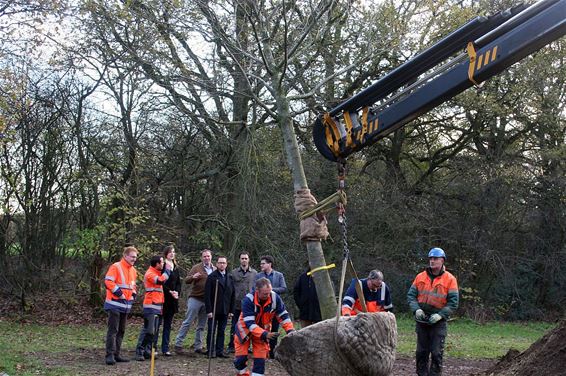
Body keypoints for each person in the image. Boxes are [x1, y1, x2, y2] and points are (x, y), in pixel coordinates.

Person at [407, 247, 459, 376]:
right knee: (421, 353)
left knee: (436, 353)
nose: (432, 261)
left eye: (435, 259)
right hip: (422, 320)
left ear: (442, 260)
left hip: (438, 322)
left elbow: (453, 303)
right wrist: (416, 309)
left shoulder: (450, 279)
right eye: (430, 258)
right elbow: (411, 296)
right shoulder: (420, 276)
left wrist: (440, 315)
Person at [234, 278, 295, 376]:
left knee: (260, 360)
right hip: (244, 331)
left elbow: (283, 316)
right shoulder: (248, 300)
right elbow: (250, 324)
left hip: (262, 332)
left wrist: (290, 330)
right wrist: (265, 334)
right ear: (257, 291)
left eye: (269, 292)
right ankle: (242, 373)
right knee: (240, 360)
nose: (268, 295)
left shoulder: (275, 298)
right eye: (265, 294)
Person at [175, 248, 215, 354]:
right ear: (202, 258)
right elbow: (187, 280)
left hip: (207, 301)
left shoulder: (214, 269)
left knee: (202, 325)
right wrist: (193, 277)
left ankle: (198, 346)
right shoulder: (196, 267)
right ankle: (178, 344)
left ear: (211, 257)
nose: (206, 258)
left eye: (208, 256)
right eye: (204, 256)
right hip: (195, 298)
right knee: (188, 321)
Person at [103, 245, 139, 365]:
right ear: (125, 256)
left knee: (121, 330)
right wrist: (118, 292)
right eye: (132, 256)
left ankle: (116, 354)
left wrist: (133, 295)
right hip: (114, 303)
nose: (134, 259)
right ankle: (109, 355)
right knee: (113, 330)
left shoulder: (133, 270)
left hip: (126, 305)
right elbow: (108, 281)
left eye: (135, 257)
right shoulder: (116, 266)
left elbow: (133, 285)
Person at [135, 255, 172, 361]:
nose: (163, 264)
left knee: (154, 331)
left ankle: (147, 350)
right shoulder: (150, 274)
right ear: (157, 264)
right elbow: (160, 281)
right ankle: (139, 351)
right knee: (148, 330)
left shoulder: (157, 272)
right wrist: (167, 271)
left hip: (157, 306)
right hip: (150, 306)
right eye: (162, 262)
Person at [254, 255, 287, 358]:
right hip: (261, 308)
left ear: (269, 264)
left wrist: (270, 291)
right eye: (261, 263)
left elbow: (284, 288)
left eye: (263, 263)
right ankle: (261, 351)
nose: (261, 265)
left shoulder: (279, 275)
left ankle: (272, 352)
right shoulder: (258, 276)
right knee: (261, 329)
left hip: (275, 307)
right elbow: (254, 289)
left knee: (274, 329)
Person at [204, 255, 235, 358]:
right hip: (213, 309)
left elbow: (232, 294)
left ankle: (219, 350)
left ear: (226, 264)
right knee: (211, 330)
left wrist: (231, 310)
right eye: (220, 263)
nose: (222, 264)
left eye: (224, 263)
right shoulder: (212, 277)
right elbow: (207, 295)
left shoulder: (230, 277)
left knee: (221, 331)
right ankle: (210, 350)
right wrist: (209, 310)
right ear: (216, 264)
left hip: (225, 309)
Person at [227, 251, 257, 353]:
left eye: (246, 258)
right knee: (234, 325)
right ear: (239, 260)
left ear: (249, 260)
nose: (244, 260)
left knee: (249, 326)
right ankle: (232, 345)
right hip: (236, 303)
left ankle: (247, 346)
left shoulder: (254, 273)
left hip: (249, 305)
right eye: (242, 258)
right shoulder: (234, 272)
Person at [160, 245, 181, 356]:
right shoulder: (162, 266)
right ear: (166, 254)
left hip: (173, 300)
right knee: (158, 324)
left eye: (173, 252)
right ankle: (153, 348)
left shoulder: (176, 267)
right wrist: (169, 292)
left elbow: (178, 282)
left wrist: (176, 292)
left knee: (168, 325)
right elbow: (161, 283)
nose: (172, 254)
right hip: (163, 298)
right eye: (170, 252)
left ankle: (165, 348)